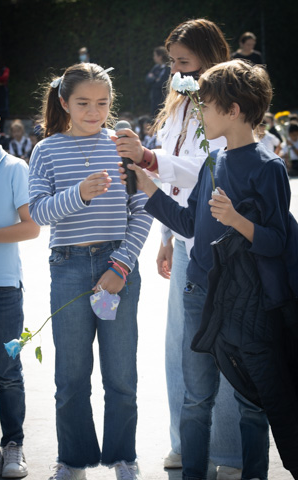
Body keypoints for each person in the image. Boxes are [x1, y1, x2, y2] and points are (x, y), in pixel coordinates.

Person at [120, 58, 293, 480]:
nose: (199, 115)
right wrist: (148, 187)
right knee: (196, 399)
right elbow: (186, 224)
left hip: (248, 304)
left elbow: (278, 243)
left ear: (233, 110)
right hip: (199, 292)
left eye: (206, 106)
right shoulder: (212, 164)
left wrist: (237, 221)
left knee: (252, 403)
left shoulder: (269, 169)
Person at [112, 18, 243, 479]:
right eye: (172, 62)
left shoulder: (226, 105)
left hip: (224, 242)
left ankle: (229, 453)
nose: (176, 71)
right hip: (185, 238)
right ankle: (185, 443)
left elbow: (202, 173)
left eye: (183, 62)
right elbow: (172, 186)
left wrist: (146, 158)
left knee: (224, 347)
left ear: (209, 60)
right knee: (180, 348)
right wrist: (167, 238)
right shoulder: (176, 108)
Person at [28, 62, 153, 480]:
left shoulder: (122, 145)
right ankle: (74, 460)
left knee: (121, 375)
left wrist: (121, 265)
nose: (94, 111)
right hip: (68, 267)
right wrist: (78, 194)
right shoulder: (45, 150)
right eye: (83, 102)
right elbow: (41, 213)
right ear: (64, 102)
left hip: (118, 266)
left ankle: (123, 457)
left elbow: (143, 209)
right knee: (71, 376)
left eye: (102, 103)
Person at [0, 89, 40, 479]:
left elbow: (31, 227)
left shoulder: (16, 168)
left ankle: (13, 445)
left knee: (9, 371)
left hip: (2, 288)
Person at [145, 46, 171, 118]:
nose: (154, 57)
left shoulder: (168, 68)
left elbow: (162, 83)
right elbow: (147, 79)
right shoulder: (156, 67)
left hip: (163, 98)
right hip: (154, 98)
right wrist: (155, 80)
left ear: (160, 56)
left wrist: (154, 79)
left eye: (155, 55)